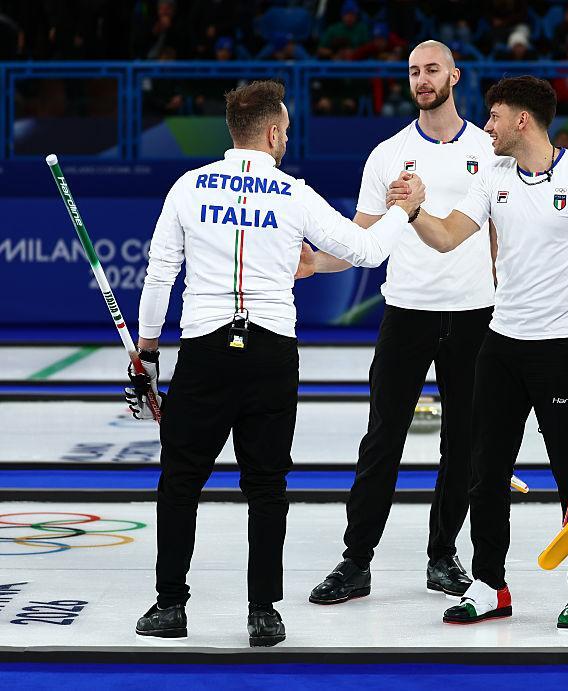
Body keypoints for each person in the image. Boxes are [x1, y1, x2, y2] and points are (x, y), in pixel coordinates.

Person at [126, 80, 424, 646]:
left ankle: (170, 606)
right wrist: (402, 211)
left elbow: (159, 274)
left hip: (205, 350)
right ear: (269, 133)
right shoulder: (292, 193)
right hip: (269, 353)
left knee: (180, 481)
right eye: (285, 131)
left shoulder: (187, 188)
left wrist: (146, 353)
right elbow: (364, 251)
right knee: (266, 485)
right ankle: (263, 612)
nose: (287, 138)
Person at [388, 75, 568, 629]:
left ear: (522, 119)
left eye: (495, 116)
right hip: (501, 344)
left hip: (564, 347)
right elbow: (450, 235)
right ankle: (490, 583)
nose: (488, 127)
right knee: (486, 469)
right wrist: (413, 211)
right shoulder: (491, 175)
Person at [300, 40, 497, 606]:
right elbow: (361, 239)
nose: (422, 78)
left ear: (455, 75)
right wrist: (313, 262)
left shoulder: (489, 149)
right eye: (413, 71)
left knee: (463, 445)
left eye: (432, 69)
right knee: (382, 439)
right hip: (406, 311)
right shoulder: (387, 154)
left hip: (474, 315)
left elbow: (503, 234)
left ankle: (443, 557)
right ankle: (355, 561)